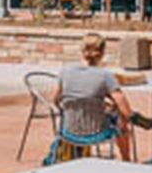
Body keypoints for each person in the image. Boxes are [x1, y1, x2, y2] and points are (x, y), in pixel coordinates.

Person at [51, 32, 143, 161]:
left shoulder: (65, 72)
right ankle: (127, 160)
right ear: (103, 52)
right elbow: (126, 110)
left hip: (69, 131)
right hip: (97, 133)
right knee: (121, 120)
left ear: (82, 50)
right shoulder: (105, 76)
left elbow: (55, 100)